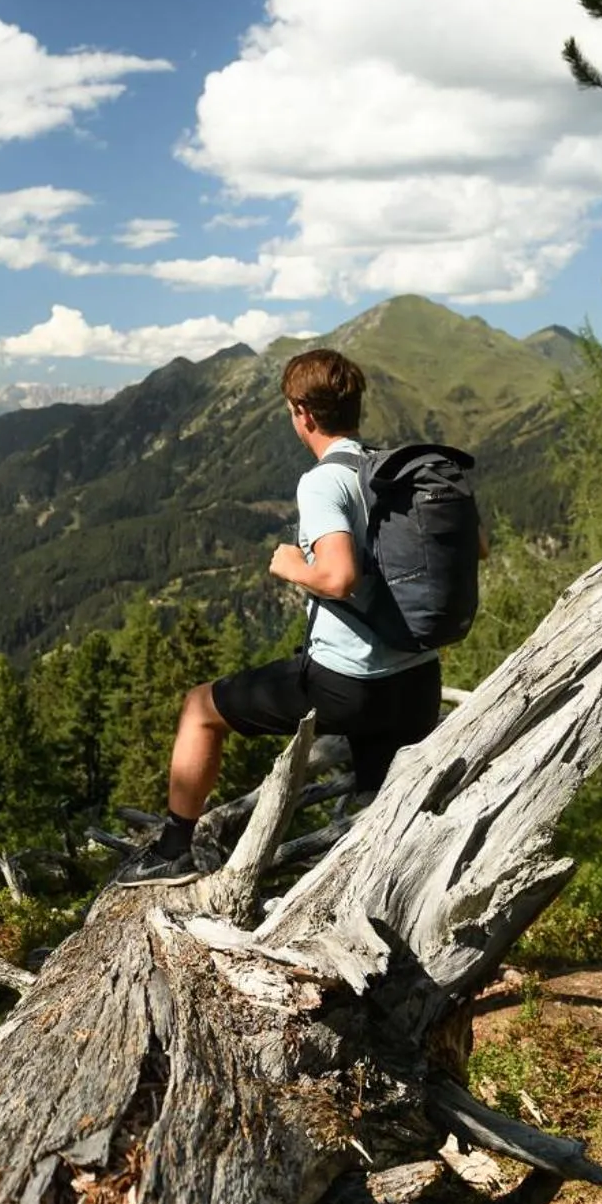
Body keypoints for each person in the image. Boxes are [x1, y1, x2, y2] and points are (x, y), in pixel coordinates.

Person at [118, 347, 483, 886]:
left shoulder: (323, 481)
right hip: (417, 674)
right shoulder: (396, 474)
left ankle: (172, 850)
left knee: (199, 707)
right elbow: (476, 547)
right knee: (384, 816)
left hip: (348, 682)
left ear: (302, 413)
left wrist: (291, 566)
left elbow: (337, 577)